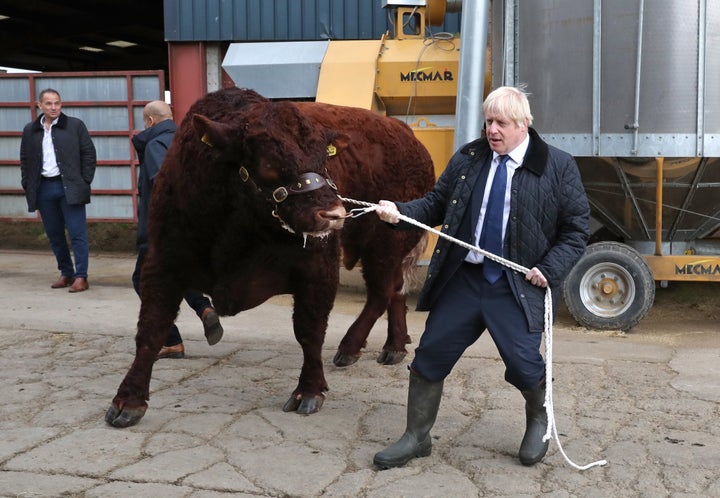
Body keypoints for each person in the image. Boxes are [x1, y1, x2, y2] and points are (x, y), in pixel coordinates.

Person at [372, 86, 590, 468]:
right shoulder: (470, 158)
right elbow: (435, 203)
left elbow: (575, 232)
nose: (492, 130)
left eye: (501, 123)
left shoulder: (556, 165)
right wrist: (398, 212)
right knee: (430, 356)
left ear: (524, 125)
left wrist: (549, 269)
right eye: (489, 121)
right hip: (465, 279)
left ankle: (540, 419)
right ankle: (416, 436)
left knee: (524, 364)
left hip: (517, 286)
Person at [131, 100, 224, 359]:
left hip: (163, 228)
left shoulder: (154, 145)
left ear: (149, 121)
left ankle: (170, 340)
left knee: (142, 281)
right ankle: (205, 309)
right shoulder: (188, 141)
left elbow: (163, 184)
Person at [20, 88, 97, 293]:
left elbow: (88, 154)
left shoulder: (75, 126)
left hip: (69, 186)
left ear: (61, 104)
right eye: (49, 104)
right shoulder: (31, 130)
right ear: (40, 105)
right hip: (44, 187)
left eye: (57, 103)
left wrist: (84, 181)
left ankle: (81, 276)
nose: (54, 107)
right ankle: (66, 272)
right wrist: (28, 184)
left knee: (77, 233)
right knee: (54, 234)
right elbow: (25, 160)